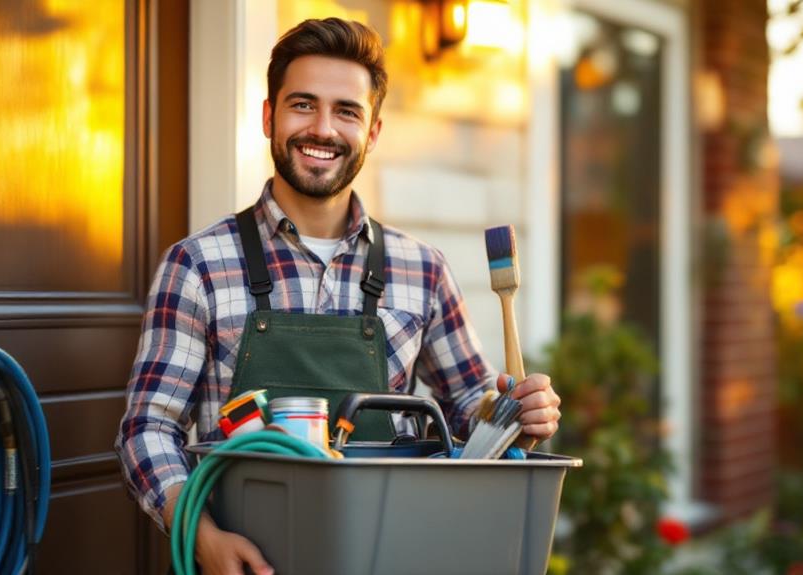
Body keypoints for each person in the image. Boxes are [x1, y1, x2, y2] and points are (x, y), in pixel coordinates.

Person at [116, 17, 561, 575]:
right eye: (302, 104)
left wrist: (518, 411)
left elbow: (473, 414)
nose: (322, 129)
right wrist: (201, 536)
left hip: (386, 556)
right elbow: (147, 430)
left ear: (372, 132)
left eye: (346, 111)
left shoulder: (422, 270)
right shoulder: (198, 265)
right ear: (268, 117)